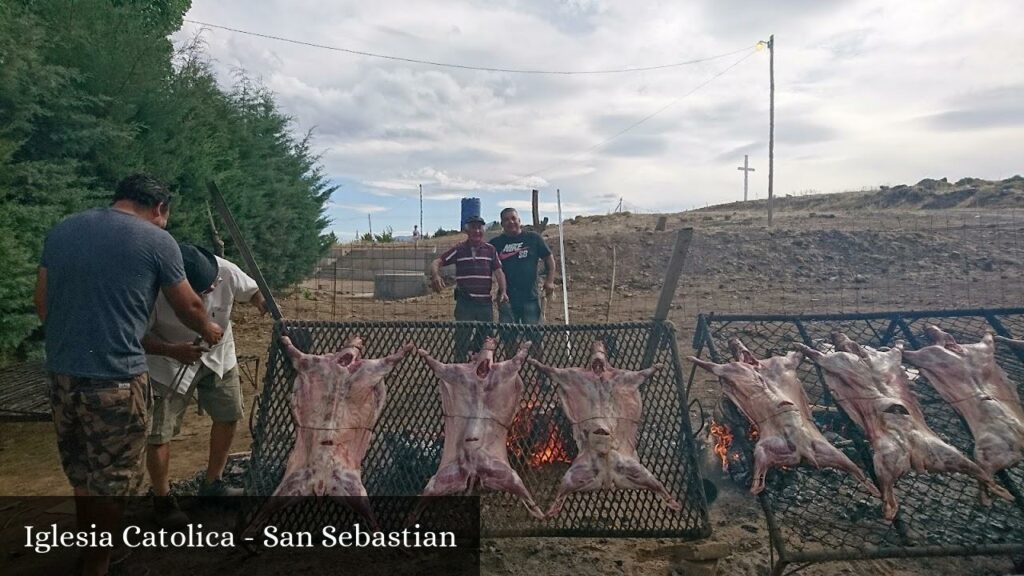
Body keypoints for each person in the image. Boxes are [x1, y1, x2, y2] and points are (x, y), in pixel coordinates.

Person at [34, 174, 223, 576]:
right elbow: (188, 303)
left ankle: (91, 549)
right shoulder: (157, 240)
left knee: (83, 469)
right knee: (114, 478)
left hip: (63, 376)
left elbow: (42, 302)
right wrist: (208, 328)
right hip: (117, 380)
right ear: (159, 209)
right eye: (165, 217)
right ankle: (98, 565)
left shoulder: (64, 229)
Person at [142, 243, 267, 527]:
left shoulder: (225, 270)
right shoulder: (149, 288)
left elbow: (253, 289)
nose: (205, 296)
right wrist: (172, 350)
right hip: (168, 361)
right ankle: (162, 499)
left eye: (209, 289)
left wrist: (261, 300)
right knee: (159, 431)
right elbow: (136, 336)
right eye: (196, 293)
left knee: (228, 413)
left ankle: (213, 483)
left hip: (219, 356)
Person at [429, 215, 507, 360]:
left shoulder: (490, 250)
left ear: (483, 230)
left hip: (485, 302)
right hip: (465, 302)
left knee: (486, 337)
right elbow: (437, 262)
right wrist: (435, 276)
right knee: (461, 339)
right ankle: (459, 372)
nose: (477, 231)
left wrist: (503, 290)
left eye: (479, 227)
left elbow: (499, 272)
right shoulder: (459, 249)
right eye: (473, 228)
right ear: (467, 230)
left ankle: (480, 369)